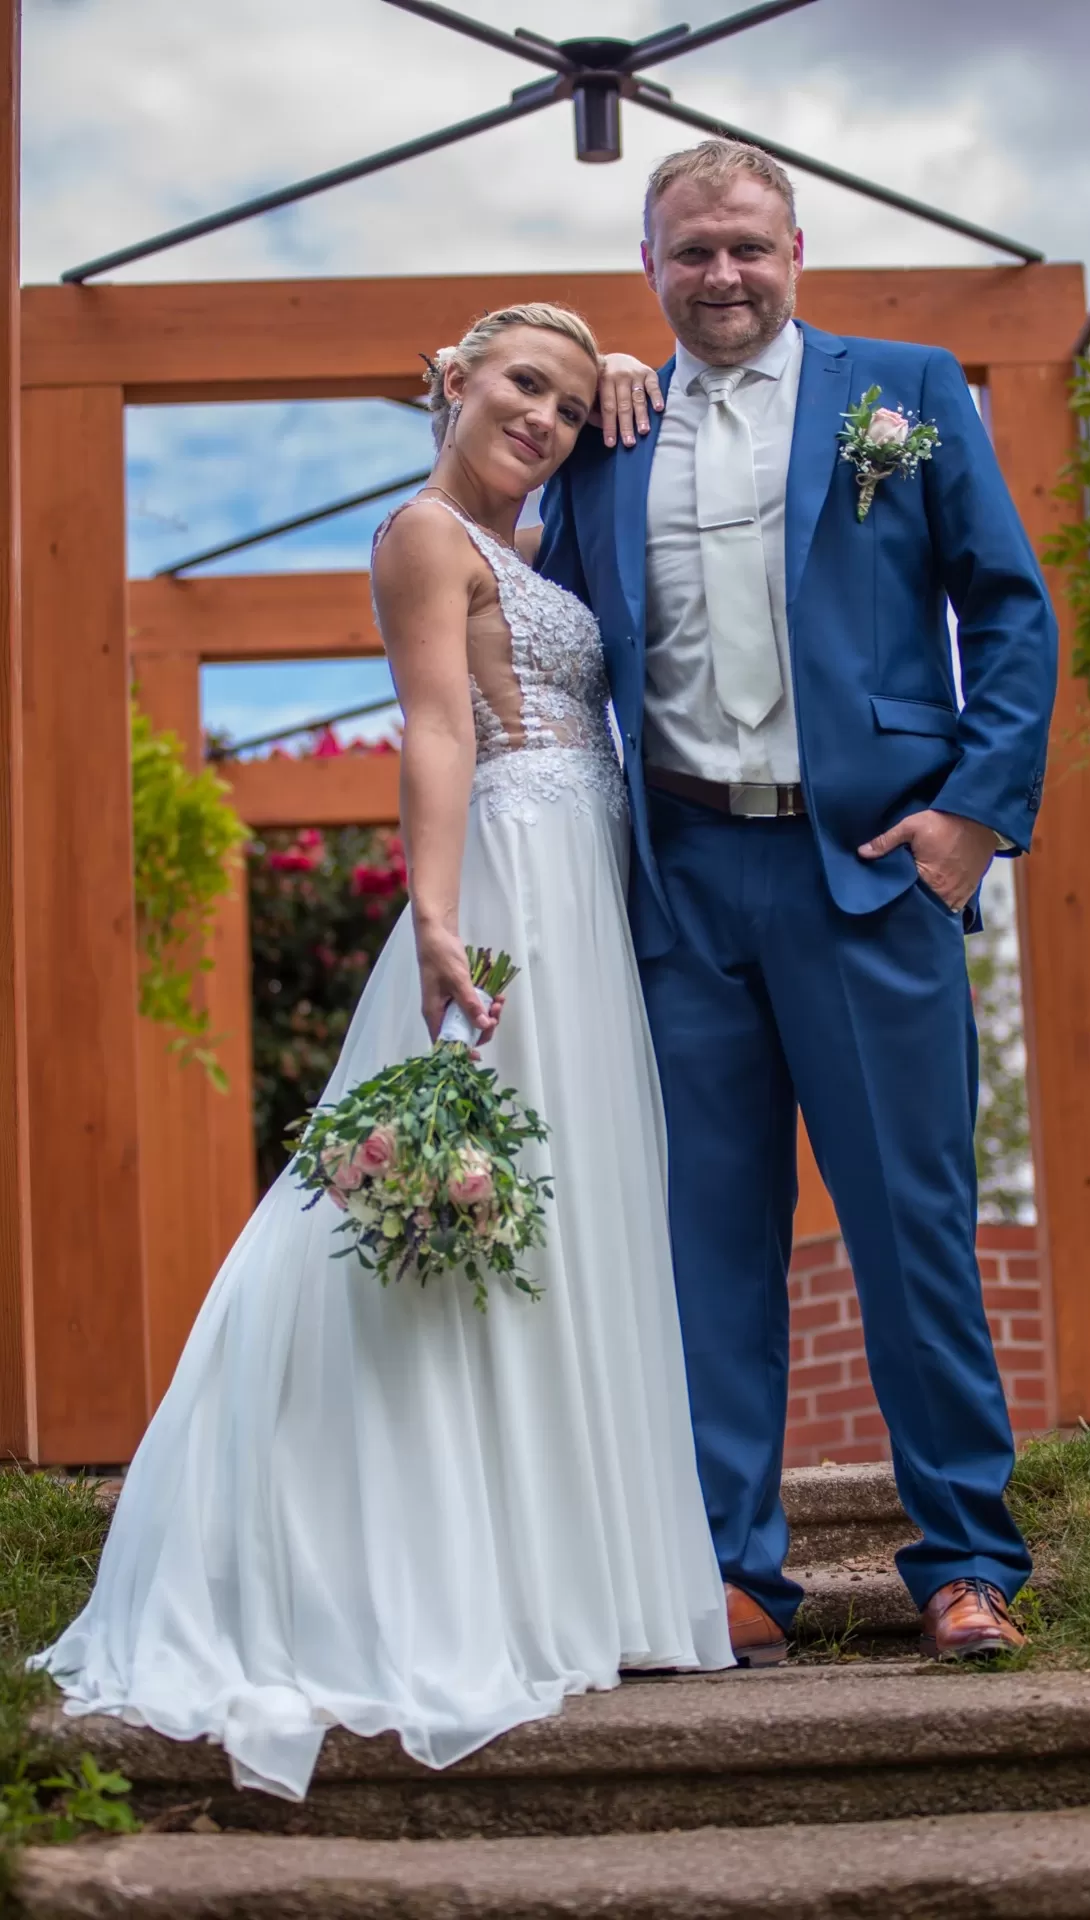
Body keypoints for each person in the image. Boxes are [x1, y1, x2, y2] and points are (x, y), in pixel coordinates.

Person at [30, 302, 734, 1804]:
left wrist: (629, 368)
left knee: (570, 1213)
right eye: (520, 386)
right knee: (467, 1211)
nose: (544, 419)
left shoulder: (535, 542)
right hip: (514, 877)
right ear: (452, 384)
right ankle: (411, 1557)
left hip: (589, 877)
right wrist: (435, 915)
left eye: (566, 403)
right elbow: (436, 728)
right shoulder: (423, 535)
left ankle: (577, 1570)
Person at [538, 140, 1059, 1665]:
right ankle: (734, 1571)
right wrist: (505, 378)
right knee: (707, 1241)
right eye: (693, 250)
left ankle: (967, 1558)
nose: (723, 275)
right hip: (683, 884)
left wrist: (973, 815)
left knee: (912, 1224)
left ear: (795, 252)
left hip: (872, 870)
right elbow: (509, 561)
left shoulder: (904, 389)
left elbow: (1008, 608)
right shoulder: (607, 435)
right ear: (650, 267)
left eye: (748, 247)